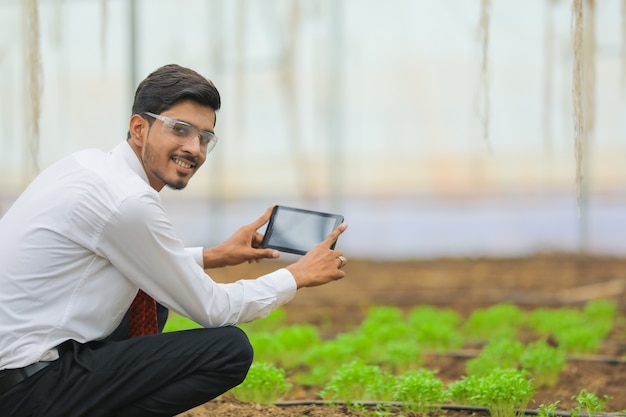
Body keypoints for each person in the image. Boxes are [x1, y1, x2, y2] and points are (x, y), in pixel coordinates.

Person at [0, 64, 348, 417]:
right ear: (140, 128)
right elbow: (213, 309)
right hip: (31, 389)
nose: (194, 148)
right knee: (228, 350)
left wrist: (214, 255)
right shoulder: (128, 202)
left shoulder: (87, 166)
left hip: (18, 368)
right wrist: (296, 276)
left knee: (153, 296)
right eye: (180, 130)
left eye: (205, 138)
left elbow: (128, 257)